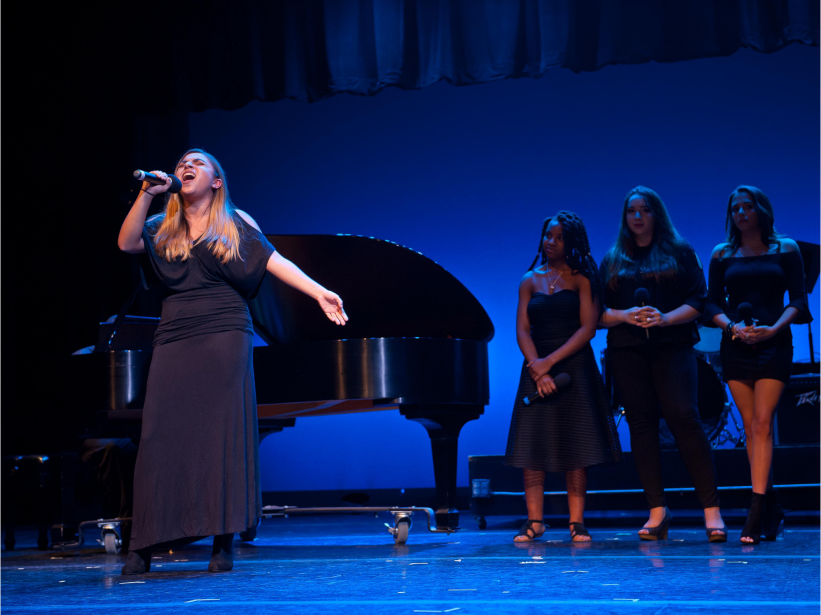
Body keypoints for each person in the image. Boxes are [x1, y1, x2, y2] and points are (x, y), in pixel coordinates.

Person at [117, 149, 348, 574]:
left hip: (224, 330)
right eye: (183, 161)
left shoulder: (236, 223)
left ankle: (222, 541)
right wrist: (147, 193)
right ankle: (143, 543)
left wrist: (318, 291)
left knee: (220, 435)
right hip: (175, 333)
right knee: (157, 439)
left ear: (217, 181)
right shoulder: (160, 225)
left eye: (198, 163)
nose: (187, 165)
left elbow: (276, 261)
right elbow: (126, 243)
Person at [599, 186, 726, 542]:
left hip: (672, 346)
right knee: (641, 425)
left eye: (644, 210)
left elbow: (698, 301)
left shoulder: (679, 252)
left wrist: (665, 319)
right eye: (631, 211)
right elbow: (596, 314)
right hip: (627, 350)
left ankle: (711, 509)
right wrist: (625, 315)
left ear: (657, 214)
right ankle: (658, 510)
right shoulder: (612, 260)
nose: (636, 217)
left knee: (684, 419)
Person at [504, 211, 622, 543]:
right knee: (532, 445)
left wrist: (550, 363)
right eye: (547, 236)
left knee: (577, 445)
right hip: (535, 366)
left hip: (574, 367)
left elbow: (587, 329)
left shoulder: (583, 278)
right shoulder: (529, 280)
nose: (551, 243)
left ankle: (576, 521)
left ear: (571, 242)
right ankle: (535, 521)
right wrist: (537, 366)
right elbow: (522, 330)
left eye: (558, 237)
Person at [704, 185, 811, 544]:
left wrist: (774, 329)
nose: (741, 213)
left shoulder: (787, 249)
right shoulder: (722, 253)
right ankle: (772, 507)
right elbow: (712, 305)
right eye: (735, 208)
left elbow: (798, 300)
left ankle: (754, 513)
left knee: (763, 423)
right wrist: (733, 327)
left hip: (775, 343)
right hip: (736, 346)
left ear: (761, 211)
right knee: (751, 428)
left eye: (748, 207)